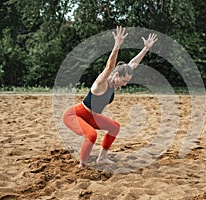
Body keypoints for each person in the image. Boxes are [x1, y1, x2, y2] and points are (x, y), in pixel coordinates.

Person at [62, 26, 158, 168]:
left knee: (115, 127)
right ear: (117, 75)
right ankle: (82, 165)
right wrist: (117, 45)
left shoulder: (115, 83)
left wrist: (146, 48)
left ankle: (102, 158)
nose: (125, 85)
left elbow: (132, 64)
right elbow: (109, 66)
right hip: (74, 115)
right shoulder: (101, 83)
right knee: (91, 135)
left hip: (92, 117)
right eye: (124, 81)